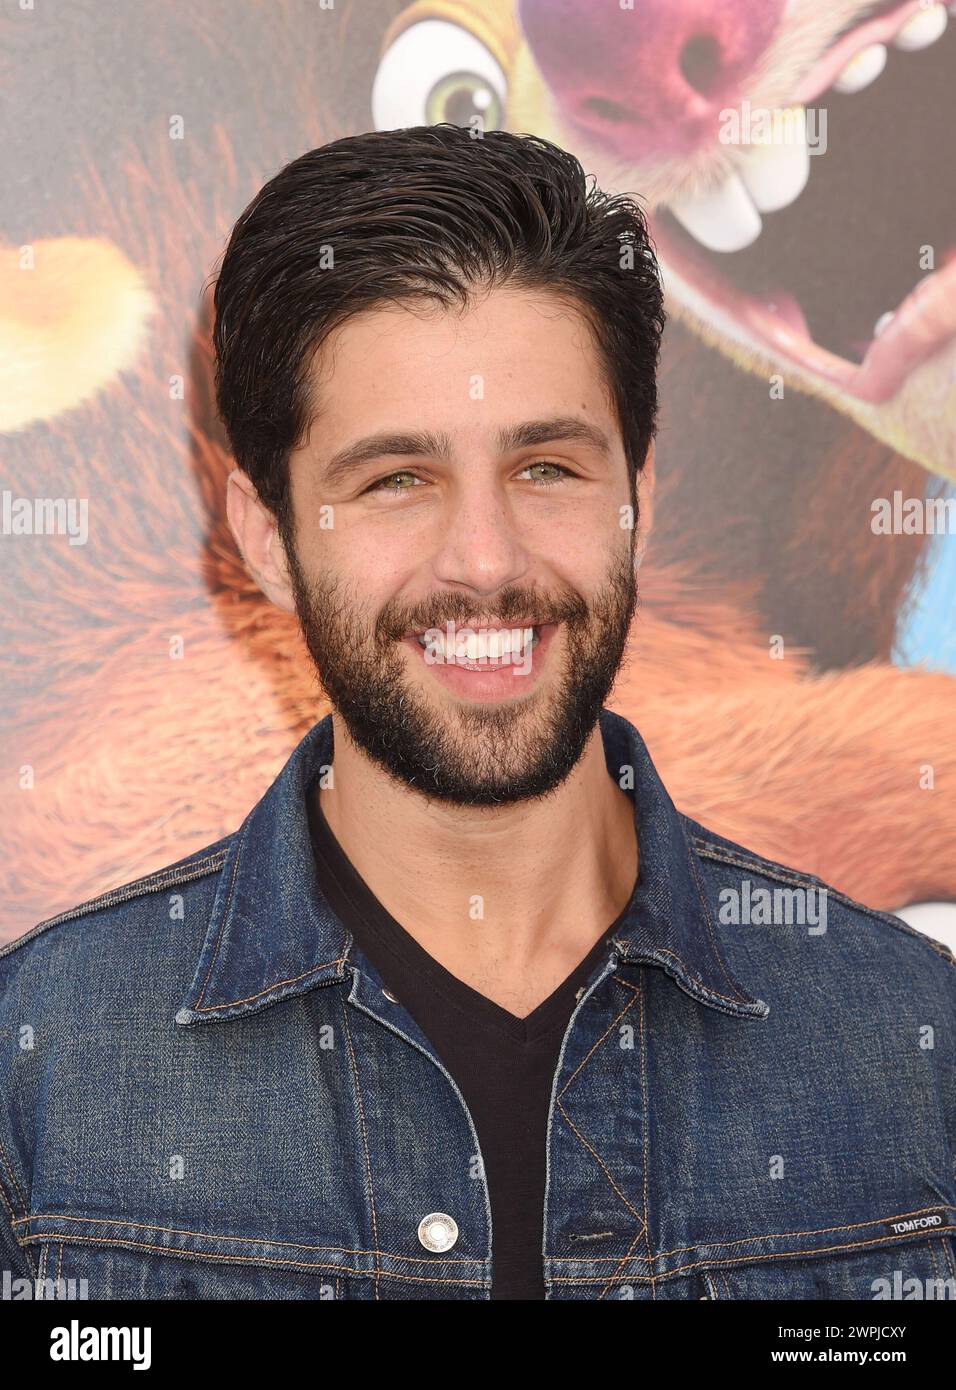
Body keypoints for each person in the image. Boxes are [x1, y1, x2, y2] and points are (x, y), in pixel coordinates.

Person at [2, 125, 953, 1303]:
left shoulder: (918, 1047)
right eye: (395, 478)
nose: (483, 559)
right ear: (266, 541)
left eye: (545, 467)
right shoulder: (39, 1063)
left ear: (635, 497)